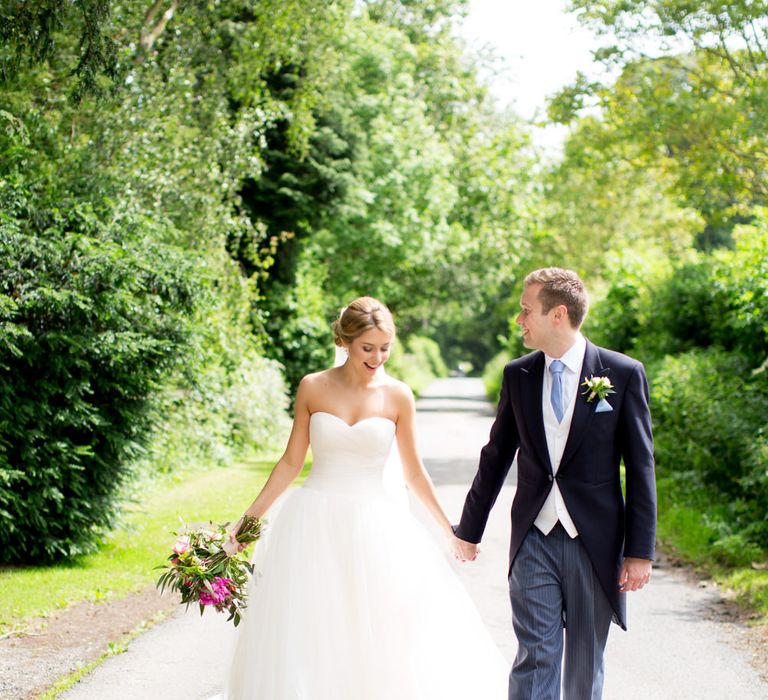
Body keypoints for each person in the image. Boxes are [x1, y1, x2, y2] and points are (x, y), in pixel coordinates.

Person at [220, 296, 508, 699]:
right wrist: (247, 523)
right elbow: (289, 463)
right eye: (367, 348)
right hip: (313, 522)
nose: (377, 357)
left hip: (376, 525)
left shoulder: (398, 395)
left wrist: (451, 530)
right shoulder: (313, 386)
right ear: (345, 341)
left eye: (384, 348)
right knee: (311, 629)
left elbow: (413, 472)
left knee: (380, 633)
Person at [453, 268, 656, 700]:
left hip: (595, 542)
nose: (519, 320)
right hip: (534, 539)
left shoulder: (622, 373)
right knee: (536, 656)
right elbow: (495, 458)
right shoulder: (518, 375)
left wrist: (640, 552)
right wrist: (468, 531)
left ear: (558, 314)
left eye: (527, 311)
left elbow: (640, 469)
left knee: (584, 664)